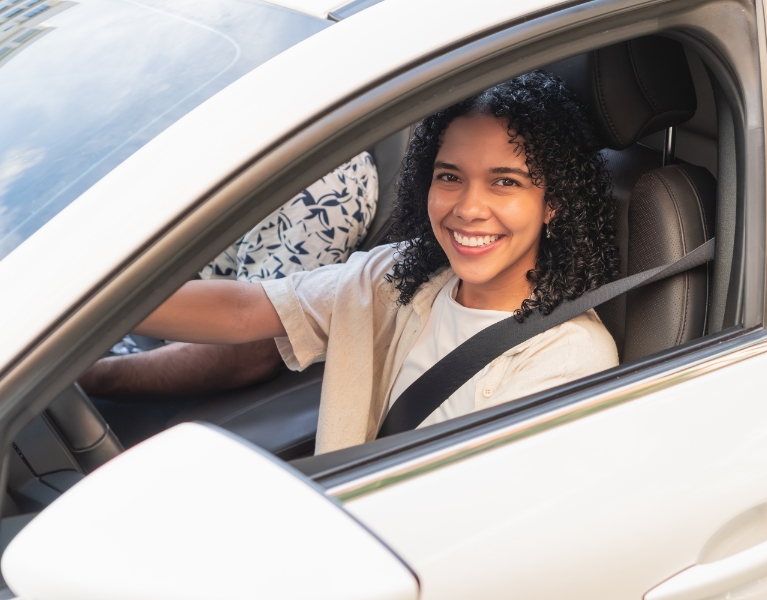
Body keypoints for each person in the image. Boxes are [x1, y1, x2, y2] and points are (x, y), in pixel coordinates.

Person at [131, 71, 620, 454]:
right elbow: (242, 311)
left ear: (553, 202)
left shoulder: (568, 359)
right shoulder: (397, 277)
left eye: (505, 182)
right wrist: (73, 302)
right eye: (449, 177)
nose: (468, 208)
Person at [78, 153, 378, 397]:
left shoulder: (319, 192)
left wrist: (95, 374)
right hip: (134, 321)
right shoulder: (242, 147)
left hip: (159, 367)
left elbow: (249, 348)